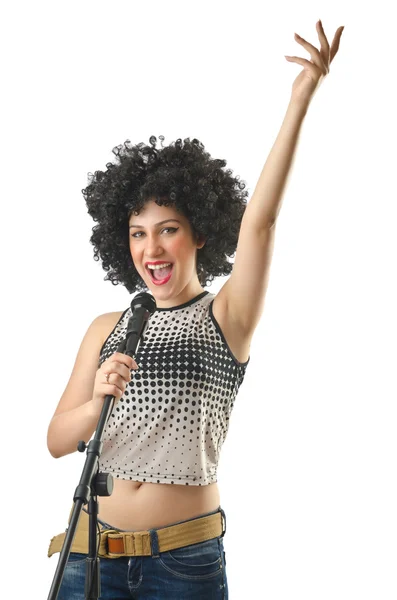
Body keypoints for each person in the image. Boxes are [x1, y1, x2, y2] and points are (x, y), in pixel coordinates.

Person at [47, 19, 344, 599]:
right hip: (88, 558)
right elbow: (58, 439)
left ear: (200, 233)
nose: (151, 250)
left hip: (181, 565)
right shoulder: (109, 327)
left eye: (168, 230)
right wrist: (96, 401)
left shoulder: (225, 317)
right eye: (137, 234)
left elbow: (261, 223)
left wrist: (301, 100)